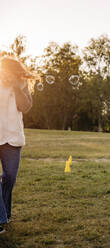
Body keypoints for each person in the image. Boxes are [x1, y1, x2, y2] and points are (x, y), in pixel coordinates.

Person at [0, 57, 33, 234]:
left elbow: (25, 107)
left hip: (12, 137)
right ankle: (0, 217)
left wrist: (15, 87)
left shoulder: (21, 84)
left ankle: (5, 211)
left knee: (10, 177)